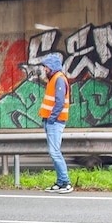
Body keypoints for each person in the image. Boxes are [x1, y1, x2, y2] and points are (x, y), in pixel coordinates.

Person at [40, 53, 73, 194]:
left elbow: (59, 103)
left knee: (55, 152)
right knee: (54, 152)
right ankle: (60, 183)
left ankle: (66, 182)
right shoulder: (53, 79)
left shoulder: (59, 79)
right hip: (50, 120)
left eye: (46, 67)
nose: (45, 69)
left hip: (55, 121)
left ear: (52, 67)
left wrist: (52, 118)